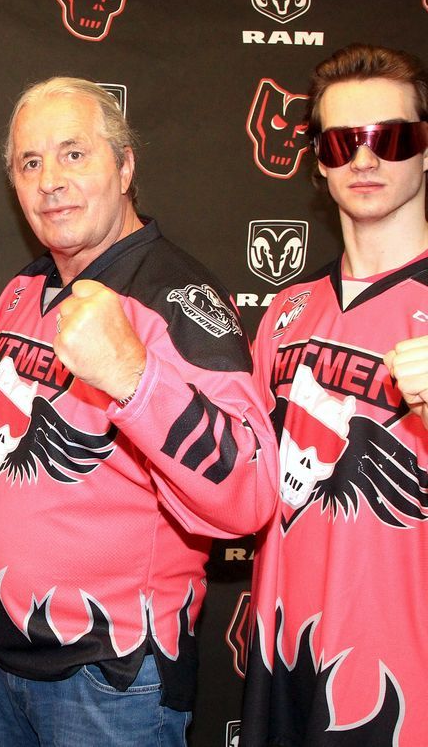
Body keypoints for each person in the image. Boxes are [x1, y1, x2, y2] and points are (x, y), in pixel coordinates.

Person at [0, 77, 279, 746]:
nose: (50, 181)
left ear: (126, 165)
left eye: (74, 154)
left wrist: (135, 378)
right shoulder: (23, 290)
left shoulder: (176, 296)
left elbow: (248, 493)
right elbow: (6, 443)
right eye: (30, 162)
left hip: (108, 677)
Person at [242, 44, 428, 747]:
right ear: (320, 162)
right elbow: (244, 486)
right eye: (344, 141)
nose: (366, 159)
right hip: (284, 660)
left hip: (402, 678)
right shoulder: (288, 311)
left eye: (392, 138)